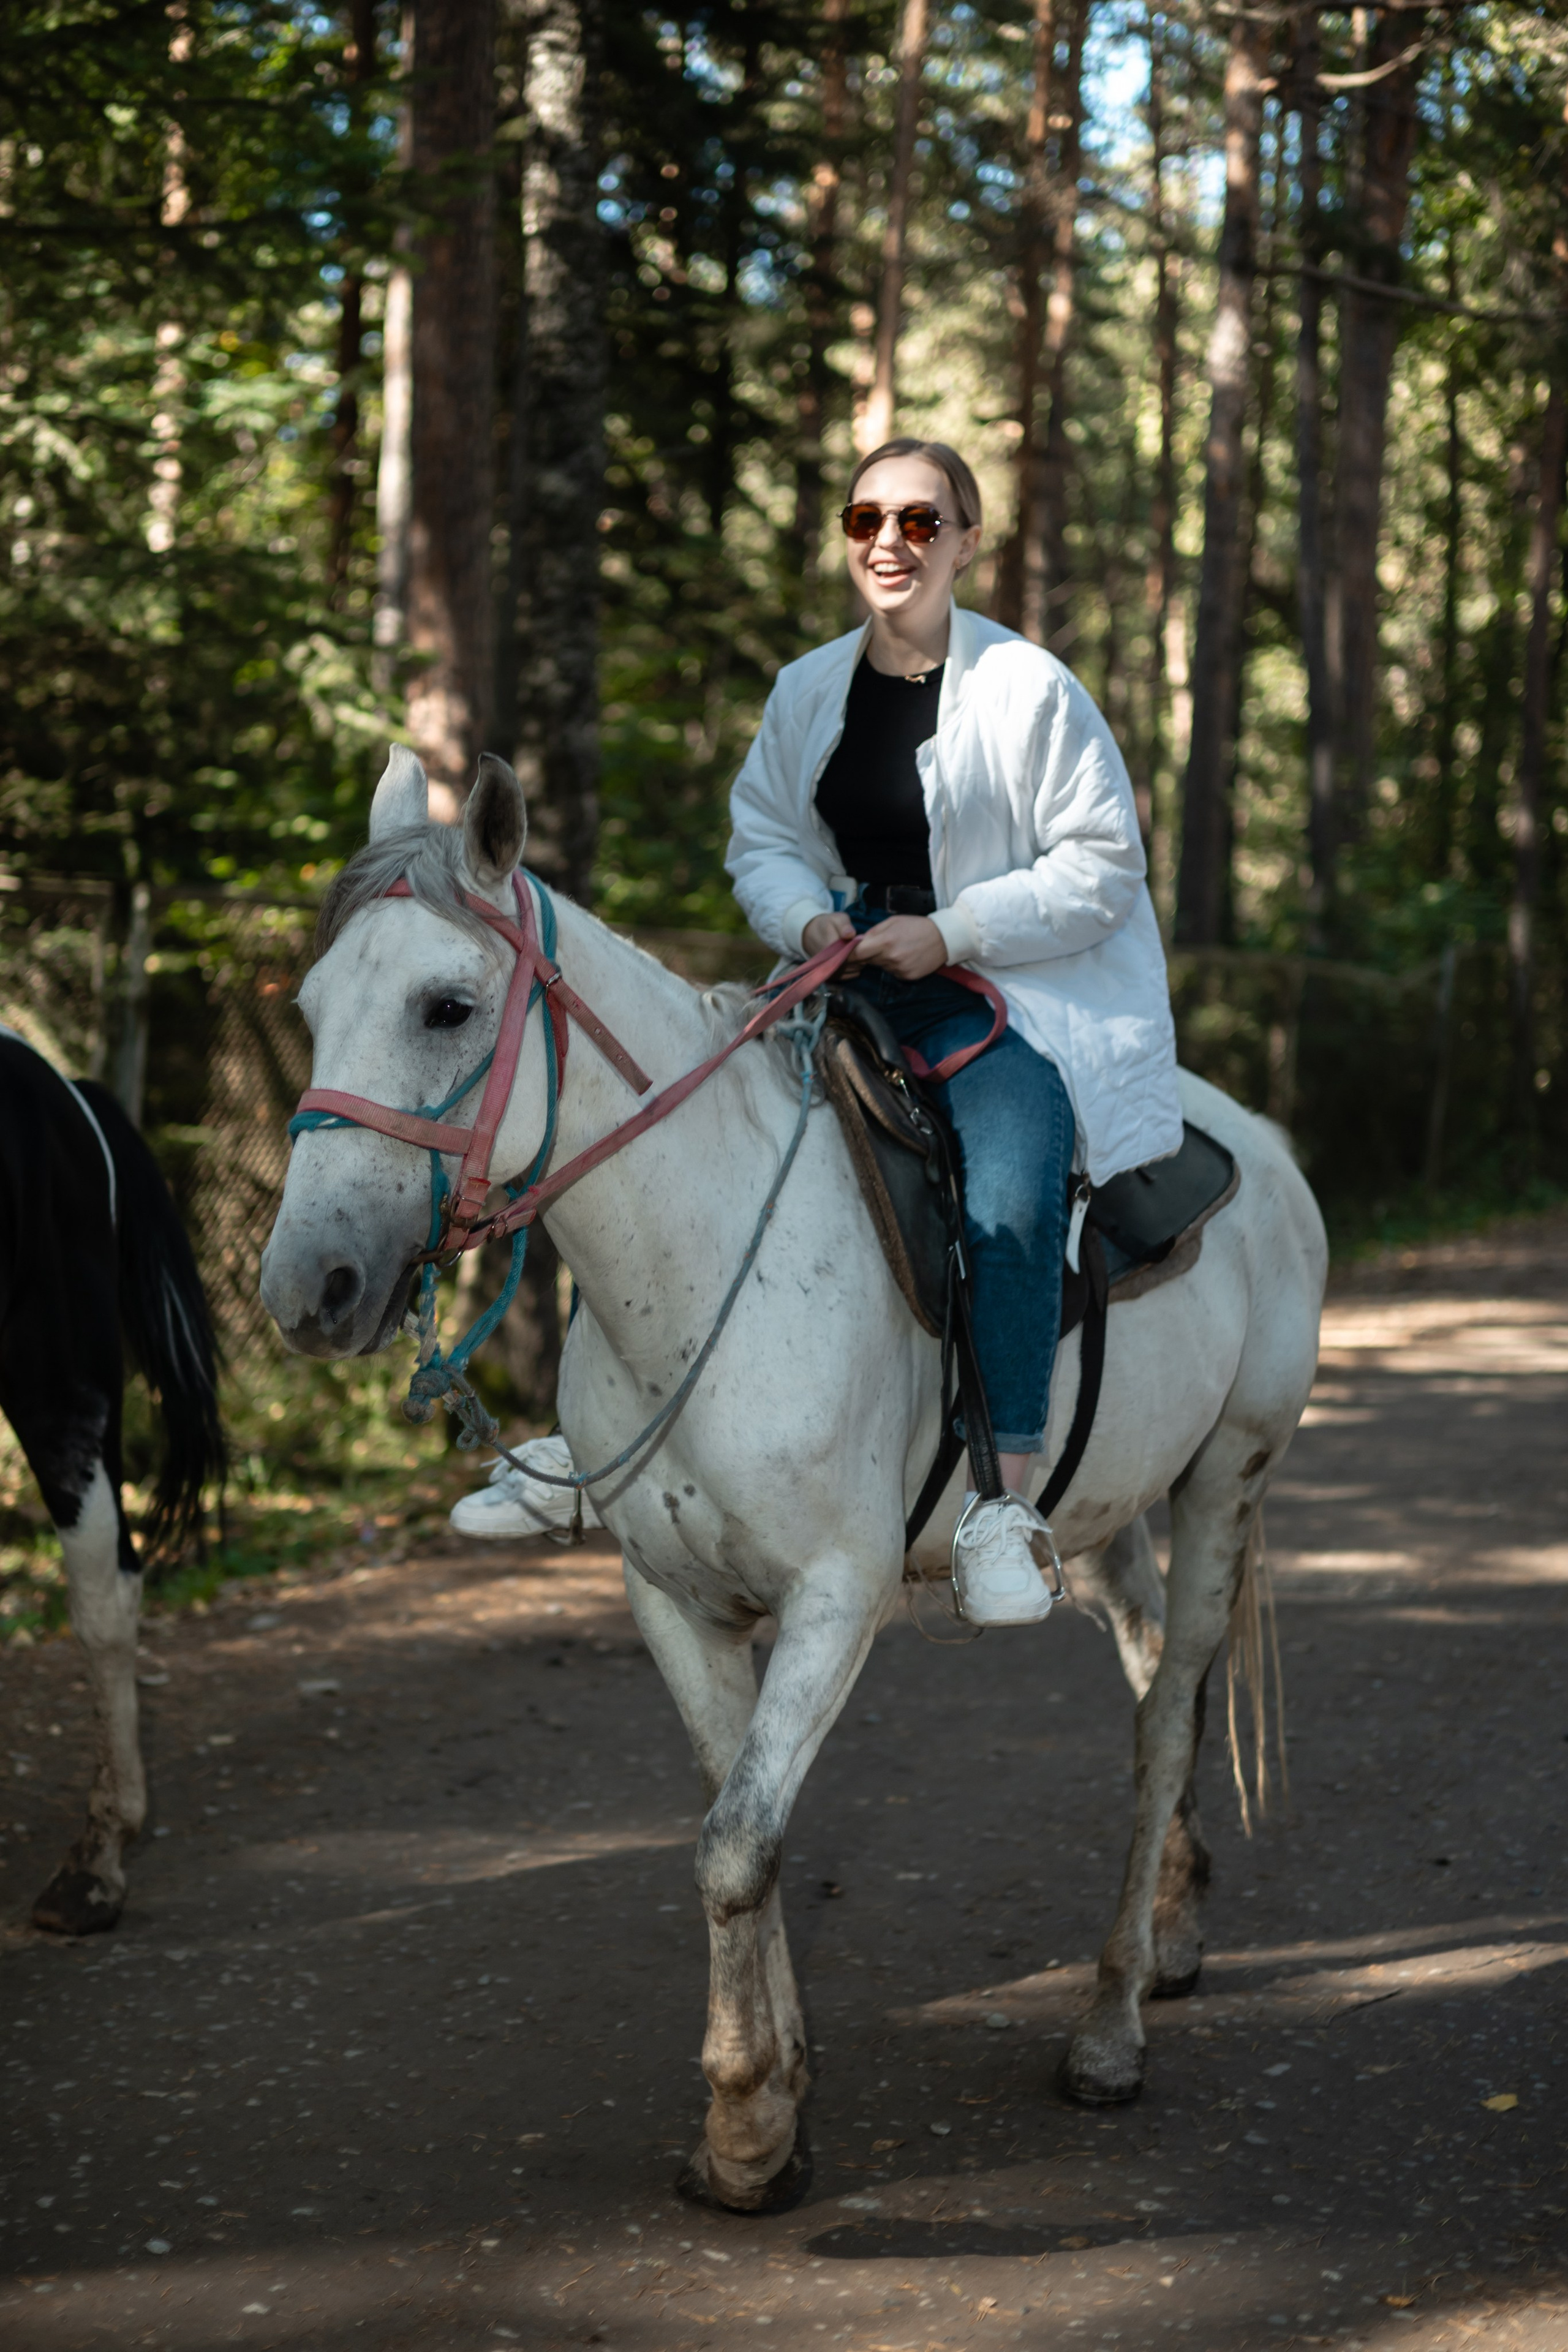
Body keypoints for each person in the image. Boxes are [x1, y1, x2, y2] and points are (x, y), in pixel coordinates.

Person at [454, 437, 1182, 1626]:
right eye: (865, 520)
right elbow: (762, 838)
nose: (888, 543)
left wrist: (946, 934)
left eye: (918, 521)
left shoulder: (1031, 690)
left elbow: (1103, 867)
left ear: (965, 538)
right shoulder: (806, 689)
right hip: (836, 973)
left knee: (1005, 1195)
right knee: (654, 1133)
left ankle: (1002, 1501)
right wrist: (800, 916)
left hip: (1002, 995)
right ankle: (594, 1451)